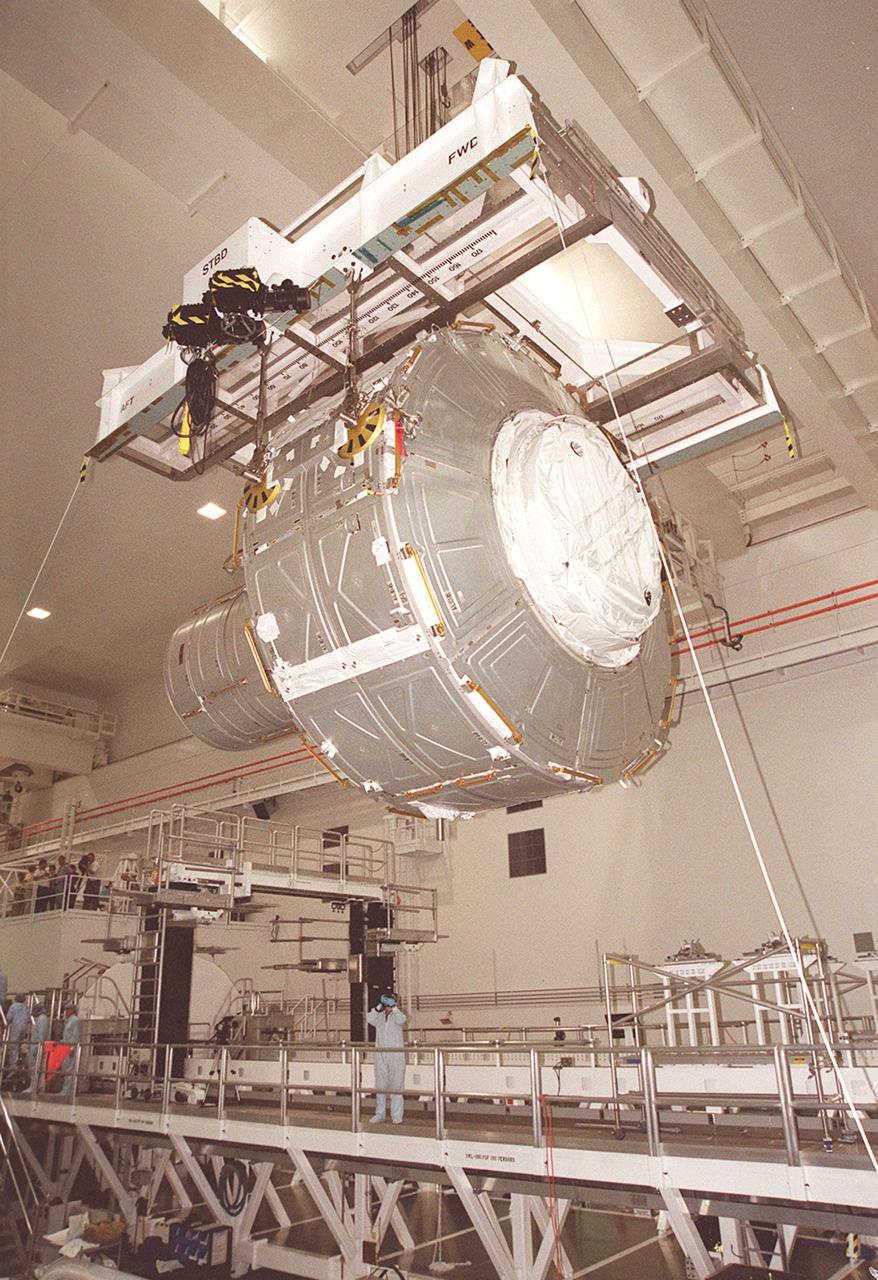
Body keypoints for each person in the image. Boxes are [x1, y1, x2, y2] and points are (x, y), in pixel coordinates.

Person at [367, 992, 407, 1125]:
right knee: (380, 1086)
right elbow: (369, 1018)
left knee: (396, 1086)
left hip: (395, 1055)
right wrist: (378, 1007)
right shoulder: (379, 1017)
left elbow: (402, 1019)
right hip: (380, 1055)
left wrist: (394, 1007)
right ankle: (380, 1114)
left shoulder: (397, 1016)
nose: (387, 1007)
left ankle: (396, 1116)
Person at [23, 1003, 49, 1095]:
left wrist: (37, 1048)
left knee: (34, 1068)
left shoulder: (42, 1019)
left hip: (37, 1047)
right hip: (38, 1046)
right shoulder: (42, 1019)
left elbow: (41, 1035)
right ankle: (38, 1086)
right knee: (39, 1068)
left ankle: (33, 1087)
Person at [59, 1003, 81, 1097]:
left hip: (70, 1048)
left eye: (67, 1010)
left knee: (69, 1070)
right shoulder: (68, 1021)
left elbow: (75, 1035)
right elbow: (67, 1035)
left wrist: (72, 1048)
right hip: (65, 1047)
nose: (66, 1012)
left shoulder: (75, 1020)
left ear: (72, 1010)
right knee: (65, 1069)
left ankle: (67, 1091)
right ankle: (66, 1090)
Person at [5, 994, 29, 1071]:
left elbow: (8, 1018)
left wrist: (5, 1024)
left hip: (16, 1027)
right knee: (19, 1045)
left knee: (13, 1046)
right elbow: (28, 1018)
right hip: (24, 1028)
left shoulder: (13, 1006)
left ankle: (13, 1065)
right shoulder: (25, 1007)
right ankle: (20, 1062)